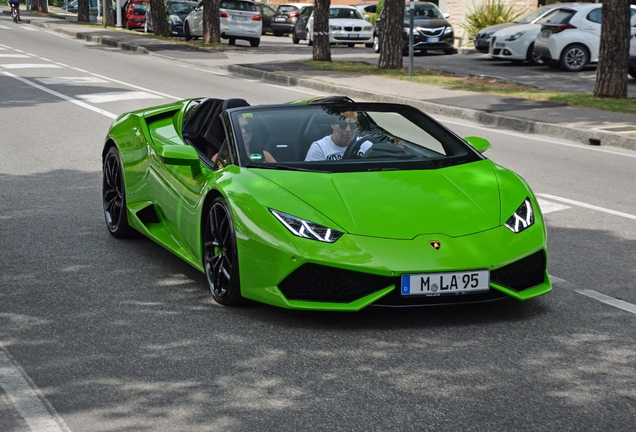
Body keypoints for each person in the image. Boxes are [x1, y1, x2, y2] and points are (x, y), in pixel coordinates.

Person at [305, 111, 371, 161]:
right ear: (333, 125)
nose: (348, 129)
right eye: (343, 125)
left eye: (352, 125)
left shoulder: (365, 145)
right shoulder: (319, 148)